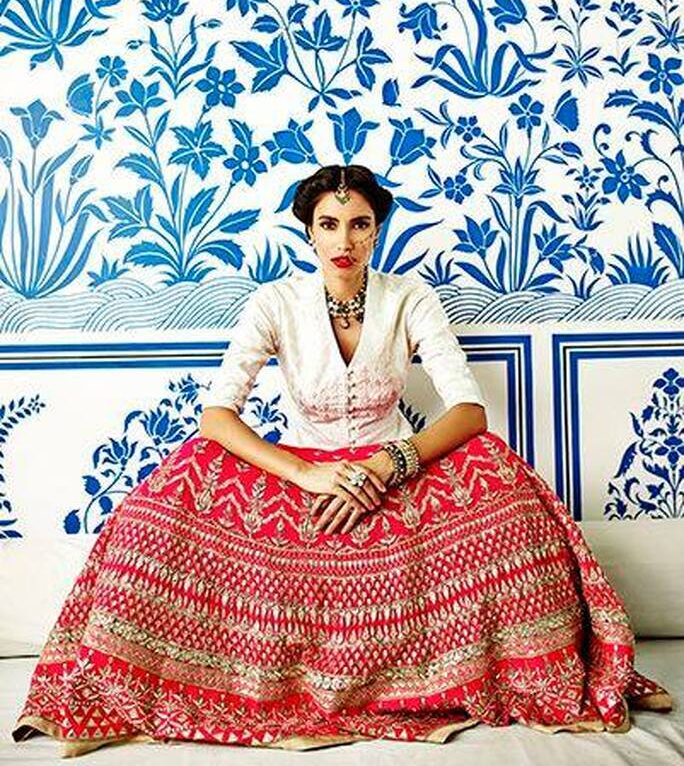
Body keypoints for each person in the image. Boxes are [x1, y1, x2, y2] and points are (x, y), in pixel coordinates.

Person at [12, 163, 673, 756]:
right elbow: (216, 415)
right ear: (308, 232)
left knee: (506, 479)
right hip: (303, 467)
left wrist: (389, 465)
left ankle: (539, 664)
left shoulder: (408, 298)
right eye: (329, 225)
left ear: (378, 229)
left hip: (393, 465)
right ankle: (144, 672)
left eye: (359, 225)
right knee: (163, 496)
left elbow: (468, 411)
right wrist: (305, 473)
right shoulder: (276, 303)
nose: (344, 241)